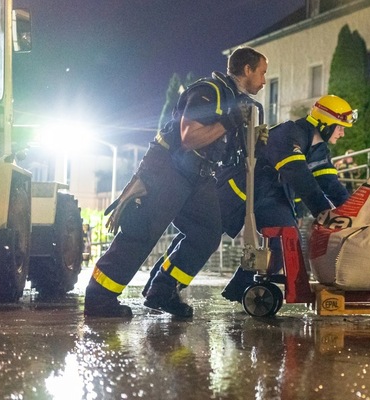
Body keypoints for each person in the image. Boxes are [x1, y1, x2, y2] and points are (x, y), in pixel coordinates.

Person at [83, 47, 268, 318]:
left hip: (200, 175)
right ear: (247, 70)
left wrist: (255, 143)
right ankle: (99, 297)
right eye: (262, 73)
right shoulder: (209, 91)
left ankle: (163, 290)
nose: (264, 81)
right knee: (142, 230)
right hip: (169, 168)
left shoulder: (234, 101)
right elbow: (189, 137)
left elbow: (229, 153)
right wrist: (229, 121)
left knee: (207, 233)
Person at [219, 94, 356, 302]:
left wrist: (355, 212)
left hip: (268, 195)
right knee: (206, 238)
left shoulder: (318, 148)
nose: (343, 133)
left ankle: (242, 288)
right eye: (340, 127)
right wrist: (323, 211)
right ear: (326, 124)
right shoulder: (290, 133)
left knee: (285, 241)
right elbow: (299, 175)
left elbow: (331, 185)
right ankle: (165, 285)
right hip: (242, 192)